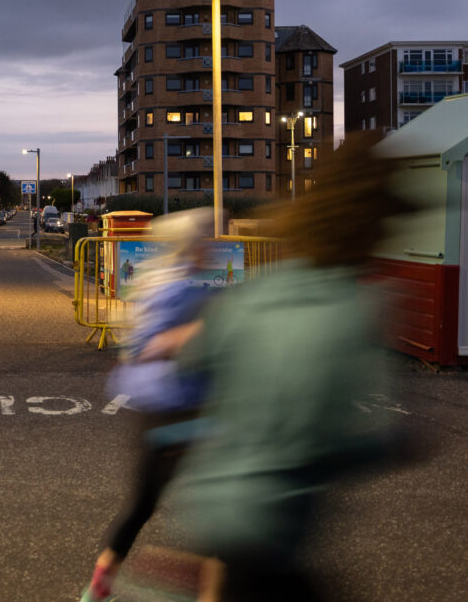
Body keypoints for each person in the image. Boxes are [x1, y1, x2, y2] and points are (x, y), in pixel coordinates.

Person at [156, 134, 408, 601]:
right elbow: (317, 439)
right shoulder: (353, 308)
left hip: (209, 507)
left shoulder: (261, 289)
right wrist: (390, 446)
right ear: (370, 226)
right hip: (267, 526)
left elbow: (195, 360)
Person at [80, 209, 213, 602]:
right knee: (217, 509)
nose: (212, 245)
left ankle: (98, 589)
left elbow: (137, 347)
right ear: (192, 245)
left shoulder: (156, 281)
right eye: (207, 238)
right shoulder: (187, 290)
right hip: (182, 407)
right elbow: (157, 346)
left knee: (140, 505)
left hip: (149, 408)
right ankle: (200, 584)